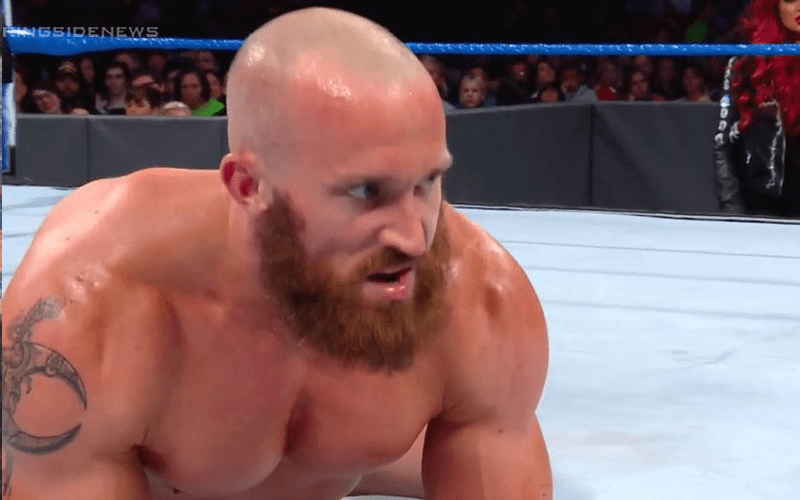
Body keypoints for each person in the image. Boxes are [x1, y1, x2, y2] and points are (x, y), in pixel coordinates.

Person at [1, 7, 552, 500]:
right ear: (247, 186)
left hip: (351, 462)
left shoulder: (478, 298)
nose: (414, 239)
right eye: (365, 191)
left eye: (427, 182)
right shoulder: (89, 309)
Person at [714, 0, 800, 217]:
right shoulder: (745, 66)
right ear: (773, 6)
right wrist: (732, 210)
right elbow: (724, 144)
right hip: (762, 208)